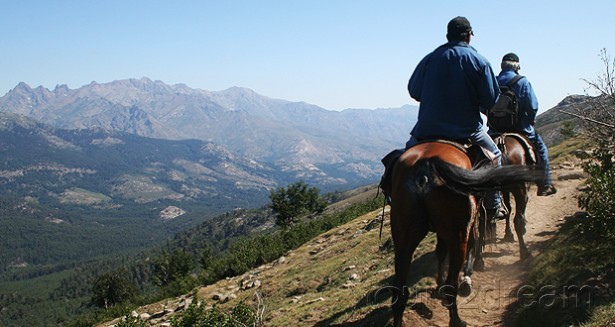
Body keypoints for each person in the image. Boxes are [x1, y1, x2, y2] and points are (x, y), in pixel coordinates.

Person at [405, 16, 507, 220]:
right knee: (495, 155)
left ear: (447, 36)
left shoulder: (429, 59)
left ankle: (396, 199)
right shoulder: (479, 61)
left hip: (426, 130)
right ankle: (495, 205)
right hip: (467, 130)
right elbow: (489, 100)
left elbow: (414, 91)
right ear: (469, 36)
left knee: (402, 161)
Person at [496, 53, 557, 196]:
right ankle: (544, 184)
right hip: (521, 128)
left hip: (496, 130)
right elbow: (532, 106)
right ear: (517, 66)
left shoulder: (493, 81)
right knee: (541, 149)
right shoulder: (522, 82)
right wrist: (530, 119)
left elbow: (484, 105)